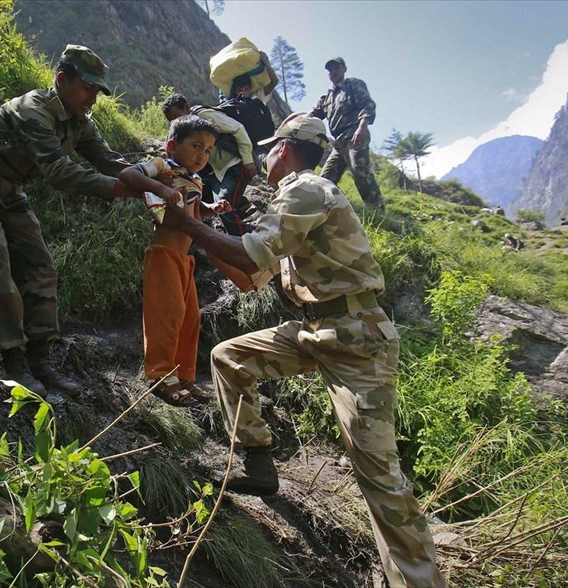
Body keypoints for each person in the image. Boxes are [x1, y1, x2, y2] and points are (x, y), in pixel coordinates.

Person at [161, 113, 446, 587]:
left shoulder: (306, 189)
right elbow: (251, 278)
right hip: (320, 329)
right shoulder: (297, 201)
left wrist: (187, 225)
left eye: (271, 147)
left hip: (357, 340)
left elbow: (251, 254)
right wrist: (204, 229)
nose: (266, 155)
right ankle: (257, 463)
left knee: (378, 475)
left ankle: (418, 581)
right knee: (230, 358)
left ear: (286, 150)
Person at [0, 45, 141, 396]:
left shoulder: (79, 123)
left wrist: (156, 178)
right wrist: (125, 191)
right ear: (62, 79)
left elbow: (110, 161)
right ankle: (13, 361)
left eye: (97, 91)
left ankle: (40, 359)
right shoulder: (32, 109)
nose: (93, 98)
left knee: (42, 268)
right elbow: (60, 173)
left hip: (8, 189)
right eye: (87, 88)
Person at [118, 115, 230, 406]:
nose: (202, 155)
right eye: (196, 146)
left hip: (185, 259)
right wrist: (160, 188)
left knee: (189, 318)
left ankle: (183, 377)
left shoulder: (194, 179)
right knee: (166, 316)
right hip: (164, 253)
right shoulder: (163, 165)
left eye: (207, 150)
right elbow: (128, 174)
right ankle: (159, 375)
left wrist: (210, 209)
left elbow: (191, 214)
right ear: (171, 145)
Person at [162, 93, 257, 236]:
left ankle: (244, 243)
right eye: (172, 120)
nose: (177, 121)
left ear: (186, 107)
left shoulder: (204, 115)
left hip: (235, 165)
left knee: (224, 206)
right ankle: (240, 204)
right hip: (219, 172)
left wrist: (248, 161)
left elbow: (238, 128)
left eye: (177, 116)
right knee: (198, 192)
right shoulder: (186, 129)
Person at [311, 57, 386, 209]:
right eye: (330, 70)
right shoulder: (326, 98)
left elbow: (367, 105)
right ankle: (323, 209)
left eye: (336, 68)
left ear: (344, 69)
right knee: (325, 178)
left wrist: (362, 127)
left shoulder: (353, 85)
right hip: (339, 142)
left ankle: (377, 210)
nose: (333, 72)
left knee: (359, 170)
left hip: (354, 133)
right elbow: (312, 115)